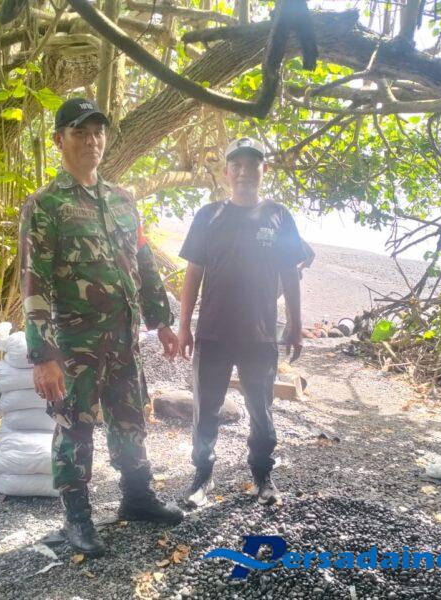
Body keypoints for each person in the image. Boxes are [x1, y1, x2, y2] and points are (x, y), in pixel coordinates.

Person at [19, 98, 184, 558]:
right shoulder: (45, 205)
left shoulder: (122, 199)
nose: (92, 141)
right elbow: (34, 282)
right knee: (74, 427)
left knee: (130, 418)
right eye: (80, 133)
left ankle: (137, 497)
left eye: (98, 132)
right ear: (59, 140)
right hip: (75, 344)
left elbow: (143, 262)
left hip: (124, 338)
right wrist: (43, 355)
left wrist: (162, 321)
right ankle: (77, 517)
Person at [176, 136, 307, 508]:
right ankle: (202, 476)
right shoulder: (209, 216)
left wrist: (295, 324)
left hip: (259, 336)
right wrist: (184, 326)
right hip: (213, 333)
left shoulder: (279, 215)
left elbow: (290, 274)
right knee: (206, 410)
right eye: (236, 164)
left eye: (252, 164)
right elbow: (193, 273)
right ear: (226, 172)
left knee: (262, 411)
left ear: (264, 170)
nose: (244, 171)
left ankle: (263, 475)